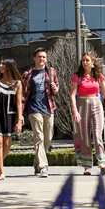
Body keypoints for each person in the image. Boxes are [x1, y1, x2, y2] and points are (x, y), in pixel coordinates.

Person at [70, 51, 105, 176]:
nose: (85, 63)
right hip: (82, 105)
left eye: (87, 60)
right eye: (83, 60)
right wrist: (74, 110)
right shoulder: (77, 76)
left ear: (93, 62)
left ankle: (102, 163)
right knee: (84, 136)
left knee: (97, 134)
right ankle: (86, 166)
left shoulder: (99, 75)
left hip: (96, 105)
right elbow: (72, 94)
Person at [21, 48, 59, 178]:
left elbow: (56, 89)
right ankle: (43, 167)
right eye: (39, 57)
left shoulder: (51, 71)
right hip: (34, 109)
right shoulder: (28, 74)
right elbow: (23, 94)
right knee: (39, 137)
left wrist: (55, 88)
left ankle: (37, 162)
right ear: (34, 58)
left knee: (48, 138)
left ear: (46, 59)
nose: (41, 59)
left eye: (43, 57)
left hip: (48, 108)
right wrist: (20, 112)